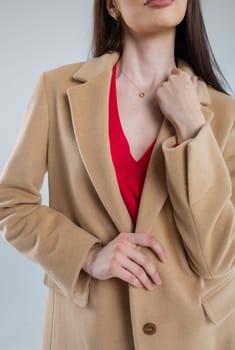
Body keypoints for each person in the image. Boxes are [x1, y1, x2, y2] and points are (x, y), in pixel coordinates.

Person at [0, 0, 235, 349]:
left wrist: (192, 128)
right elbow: (12, 204)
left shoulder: (223, 114)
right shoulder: (56, 89)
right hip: (88, 333)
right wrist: (87, 255)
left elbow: (218, 257)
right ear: (111, 5)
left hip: (193, 335)